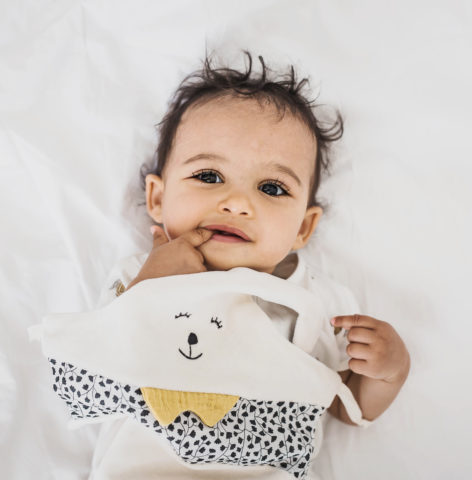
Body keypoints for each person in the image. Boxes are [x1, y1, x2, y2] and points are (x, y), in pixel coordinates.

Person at [47, 51, 411, 479]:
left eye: (271, 188)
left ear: (303, 228)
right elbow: (93, 369)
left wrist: (388, 373)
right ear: (158, 199)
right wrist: (148, 289)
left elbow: (344, 406)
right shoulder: (137, 275)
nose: (237, 203)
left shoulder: (314, 302)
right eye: (209, 176)